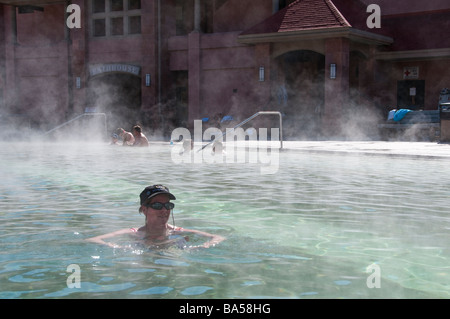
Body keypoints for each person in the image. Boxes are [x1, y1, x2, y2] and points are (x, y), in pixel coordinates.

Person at [86, 185, 225, 249]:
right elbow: (93, 239)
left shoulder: (177, 231)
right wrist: (116, 247)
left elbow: (218, 237)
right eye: (158, 206)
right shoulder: (135, 233)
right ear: (144, 210)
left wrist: (202, 246)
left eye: (168, 206)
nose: (164, 210)